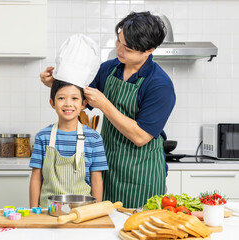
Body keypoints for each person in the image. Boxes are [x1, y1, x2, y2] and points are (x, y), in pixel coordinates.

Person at [40, 12, 176, 208]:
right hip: (108, 168)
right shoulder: (108, 69)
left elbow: (140, 137)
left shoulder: (160, 85)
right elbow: (79, 97)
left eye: (127, 48)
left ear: (149, 50)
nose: (119, 49)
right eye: (119, 41)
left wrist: (105, 104)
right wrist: (52, 82)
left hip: (141, 174)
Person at [29, 35, 108, 208]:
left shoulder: (93, 138)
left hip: (83, 213)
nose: (68, 104)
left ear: (83, 104)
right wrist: (34, 210)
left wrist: (96, 211)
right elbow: (36, 177)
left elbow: (96, 179)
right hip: (47, 212)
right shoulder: (43, 137)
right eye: (61, 98)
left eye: (74, 98)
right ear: (52, 103)